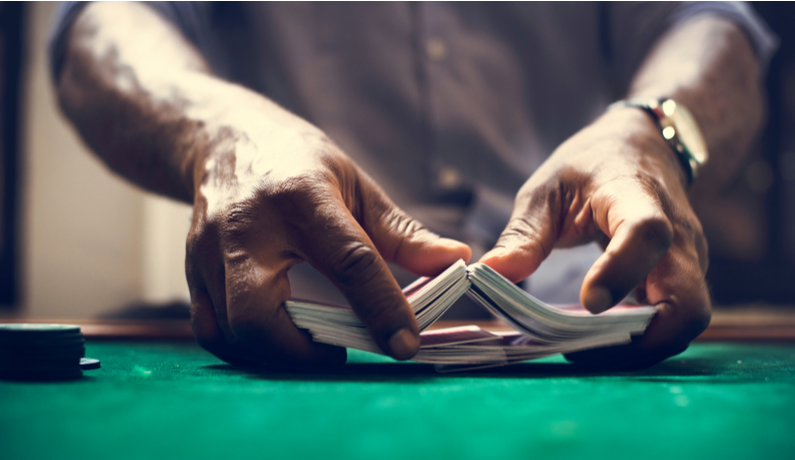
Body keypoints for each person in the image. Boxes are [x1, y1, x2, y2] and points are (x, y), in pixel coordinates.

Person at [50, 2, 776, 369]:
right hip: (291, 343)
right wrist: (218, 130)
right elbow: (102, 24)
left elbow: (711, 20)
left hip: (593, 334)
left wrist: (656, 129)